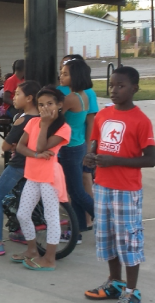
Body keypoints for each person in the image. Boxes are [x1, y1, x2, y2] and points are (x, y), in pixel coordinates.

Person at [83, 67, 155, 303]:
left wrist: (116, 161)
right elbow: (96, 144)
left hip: (126, 191)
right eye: (111, 85)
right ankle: (115, 283)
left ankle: (132, 291)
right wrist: (90, 157)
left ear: (134, 88)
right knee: (107, 237)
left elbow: (151, 159)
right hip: (102, 186)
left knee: (128, 239)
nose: (114, 90)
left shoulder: (141, 120)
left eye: (120, 86)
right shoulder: (104, 115)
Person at [0, 80, 41, 255]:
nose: (14, 97)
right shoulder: (40, 118)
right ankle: (20, 232)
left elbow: (5, 146)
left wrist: (11, 144)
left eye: (18, 94)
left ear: (29, 98)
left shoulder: (23, 120)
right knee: (20, 198)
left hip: (18, 164)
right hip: (33, 165)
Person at [11, 87, 71, 272]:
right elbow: (20, 147)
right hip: (33, 174)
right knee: (22, 213)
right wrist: (36, 155)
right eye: (41, 105)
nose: (45, 108)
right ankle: (32, 250)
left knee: (51, 217)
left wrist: (45, 125)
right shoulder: (32, 122)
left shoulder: (64, 128)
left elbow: (41, 145)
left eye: (50, 104)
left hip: (49, 177)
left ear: (60, 105)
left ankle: (49, 258)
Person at [58, 54, 99, 225]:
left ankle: (102, 219)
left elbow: (54, 118)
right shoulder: (84, 95)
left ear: (75, 77)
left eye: (65, 74)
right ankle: (81, 225)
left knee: (76, 192)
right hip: (78, 144)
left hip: (69, 147)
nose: (61, 76)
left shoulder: (70, 98)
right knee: (76, 190)